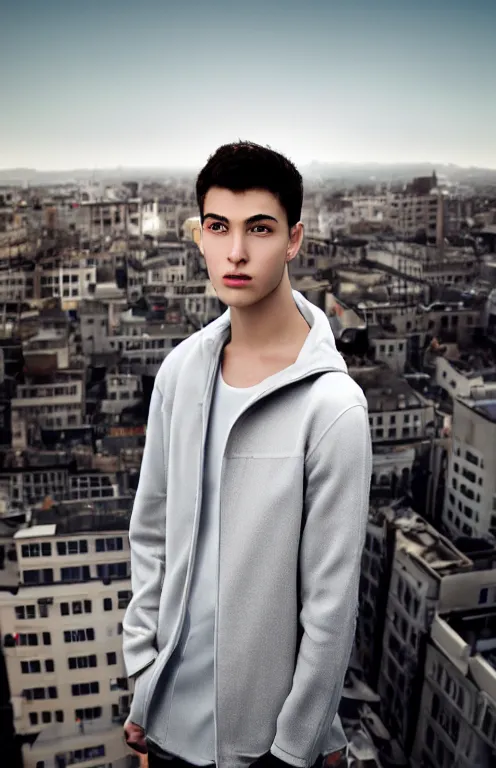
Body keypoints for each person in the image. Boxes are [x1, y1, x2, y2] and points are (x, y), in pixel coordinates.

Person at [123, 141, 372, 768]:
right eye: (218, 228)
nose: (235, 252)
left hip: (266, 746)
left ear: (294, 240)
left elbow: (331, 605)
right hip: (167, 722)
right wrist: (143, 674)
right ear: (199, 236)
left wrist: (295, 747)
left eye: (259, 229)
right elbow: (151, 532)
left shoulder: (333, 407)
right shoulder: (180, 372)